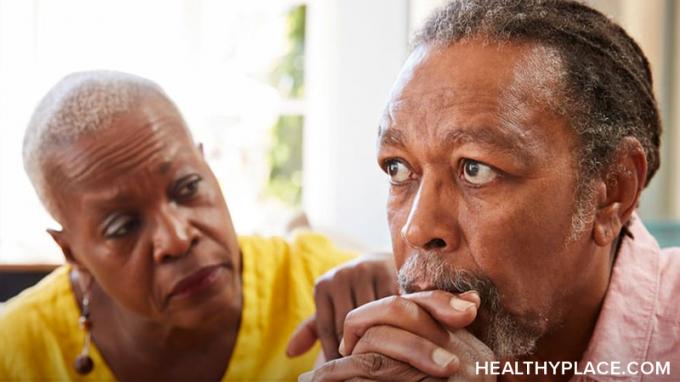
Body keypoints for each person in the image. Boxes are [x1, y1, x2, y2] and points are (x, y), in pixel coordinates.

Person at [295, 0, 680, 380]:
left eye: (475, 170)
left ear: (612, 191)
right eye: (398, 169)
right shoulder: (381, 344)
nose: (417, 229)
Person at [0, 71, 398, 381]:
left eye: (188, 187)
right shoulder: (14, 352)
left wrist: (410, 294)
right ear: (72, 254)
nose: (176, 239)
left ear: (208, 168)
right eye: (123, 227)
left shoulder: (327, 289)